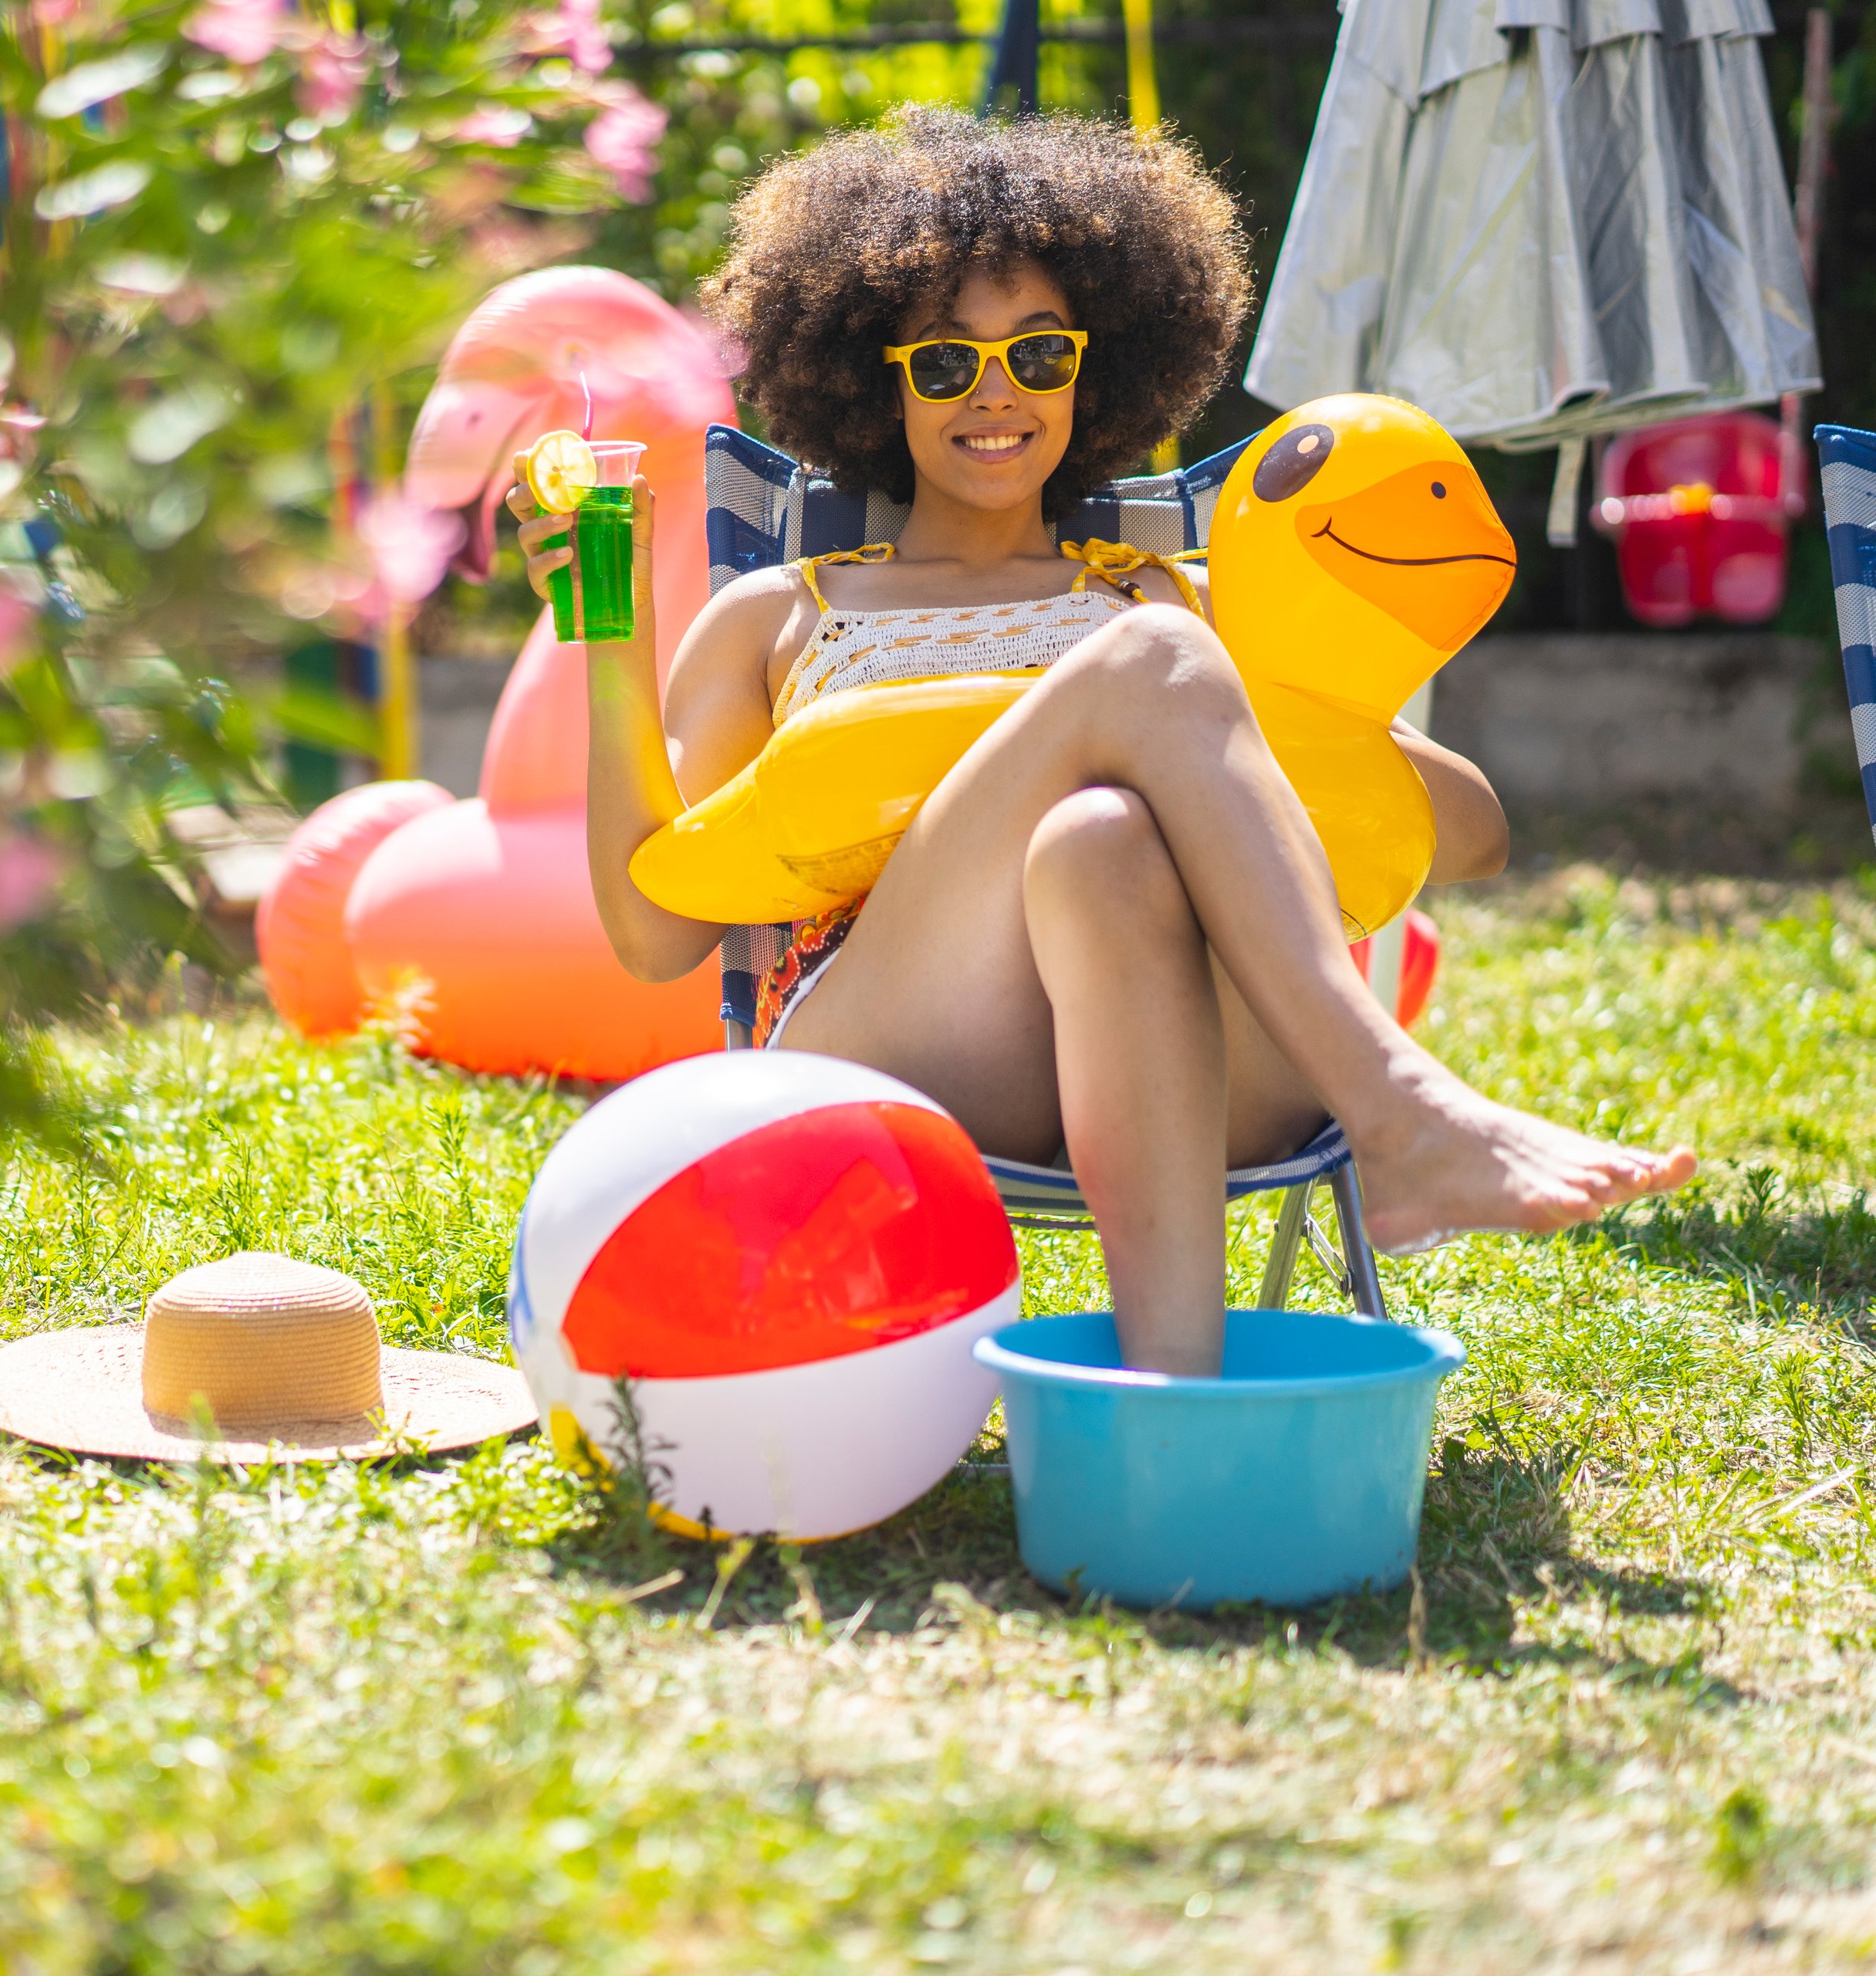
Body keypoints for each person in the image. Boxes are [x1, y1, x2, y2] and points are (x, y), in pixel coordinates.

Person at [515, 108, 1695, 1375]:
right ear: (877, 380)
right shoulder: (780, 615)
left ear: (1093, 369)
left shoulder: (1184, 596)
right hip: (901, 1048)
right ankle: (1398, 1104)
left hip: (1197, 1046)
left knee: (1100, 838)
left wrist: (1230, 728)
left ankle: (1168, 1400)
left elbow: (1472, 836)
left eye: (1039, 353)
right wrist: (613, 633)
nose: (997, 394)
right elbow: (656, 938)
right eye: (945, 364)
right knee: (1146, 664)